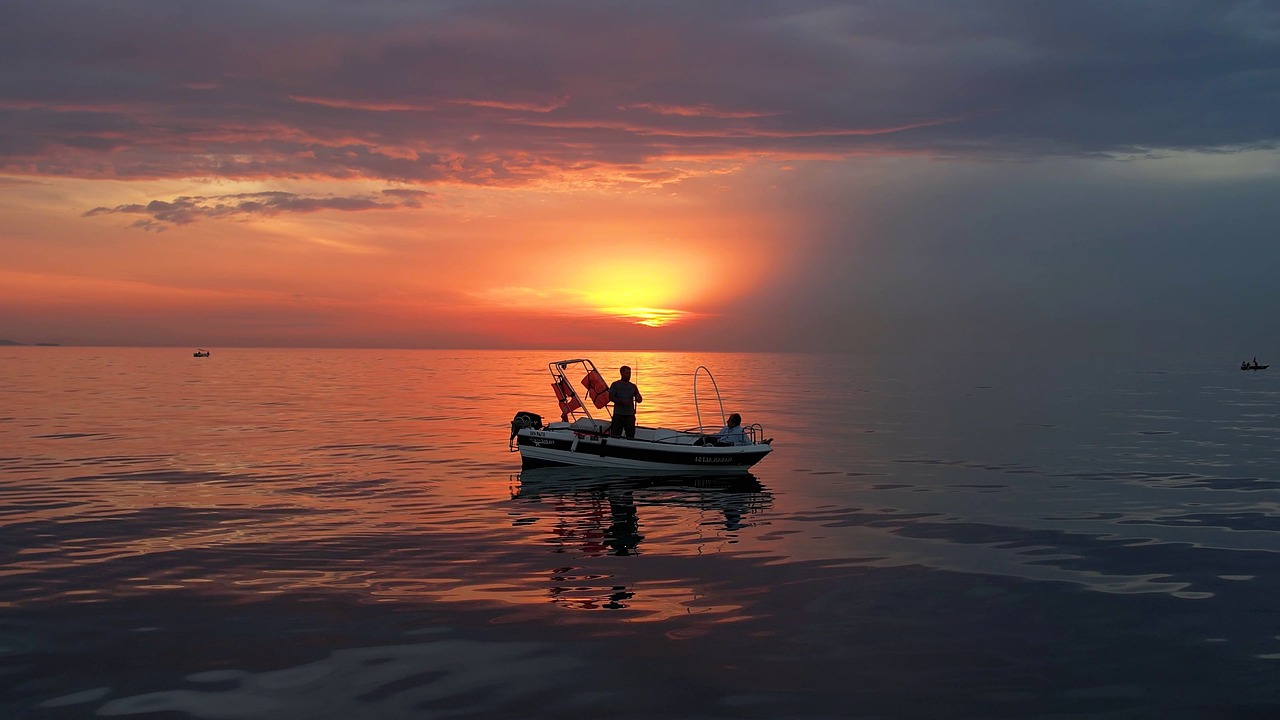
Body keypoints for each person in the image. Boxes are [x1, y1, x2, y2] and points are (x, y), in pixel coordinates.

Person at [607, 366, 643, 438]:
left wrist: (638, 398)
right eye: (627, 373)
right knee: (615, 436)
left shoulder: (633, 386)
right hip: (618, 415)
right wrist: (622, 401)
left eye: (630, 373)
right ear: (621, 373)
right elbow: (610, 397)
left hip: (630, 416)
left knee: (630, 436)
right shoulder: (615, 385)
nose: (629, 375)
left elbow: (640, 400)